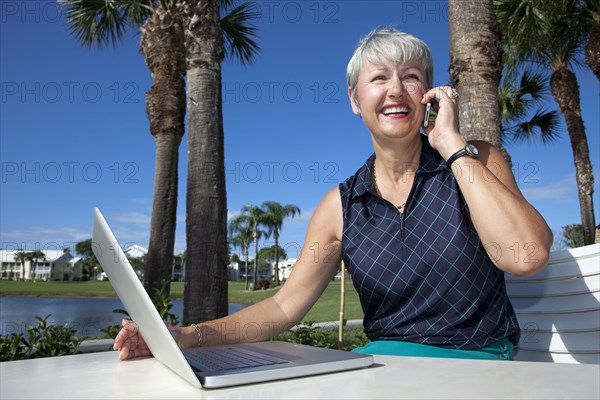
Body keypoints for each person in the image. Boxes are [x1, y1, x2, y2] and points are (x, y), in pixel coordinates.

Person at [114, 28, 553, 361]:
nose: (396, 89)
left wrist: (453, 147)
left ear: (431, 96)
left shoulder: (476, 159)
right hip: (382, 368)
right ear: (355, 100)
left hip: (480, 367)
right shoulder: (340, 206)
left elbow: (526, 255)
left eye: (412, 77)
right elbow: (284, 307)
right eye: (378, 78)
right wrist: (188, 336)